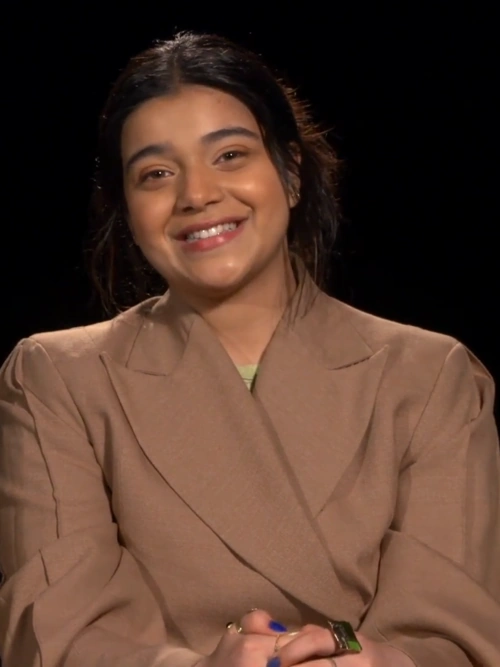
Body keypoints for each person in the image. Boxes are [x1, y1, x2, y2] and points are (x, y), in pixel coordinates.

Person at [0, 31, 499, 667]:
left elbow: (454, 632)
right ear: (126, 211)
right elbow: (56, 635)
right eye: (156, 173)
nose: (197, 194)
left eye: (230, 155)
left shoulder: (431, 376)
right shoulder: (56, 378)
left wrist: (378, 660)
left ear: (291, 174)